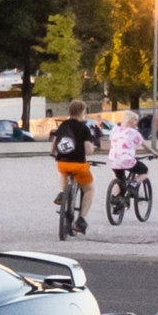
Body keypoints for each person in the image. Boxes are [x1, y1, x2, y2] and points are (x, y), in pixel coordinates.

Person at [49, 100, 96, 234]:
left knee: (64, 173)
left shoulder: (63, 125)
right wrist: (92, 148)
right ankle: (81, 220)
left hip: (62, 164)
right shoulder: (84, 128)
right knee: (89, 190)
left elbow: (53, 147)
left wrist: (54, 154)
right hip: (79, 165)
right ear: (82, 112)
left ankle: (62, 193)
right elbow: (88, 151)